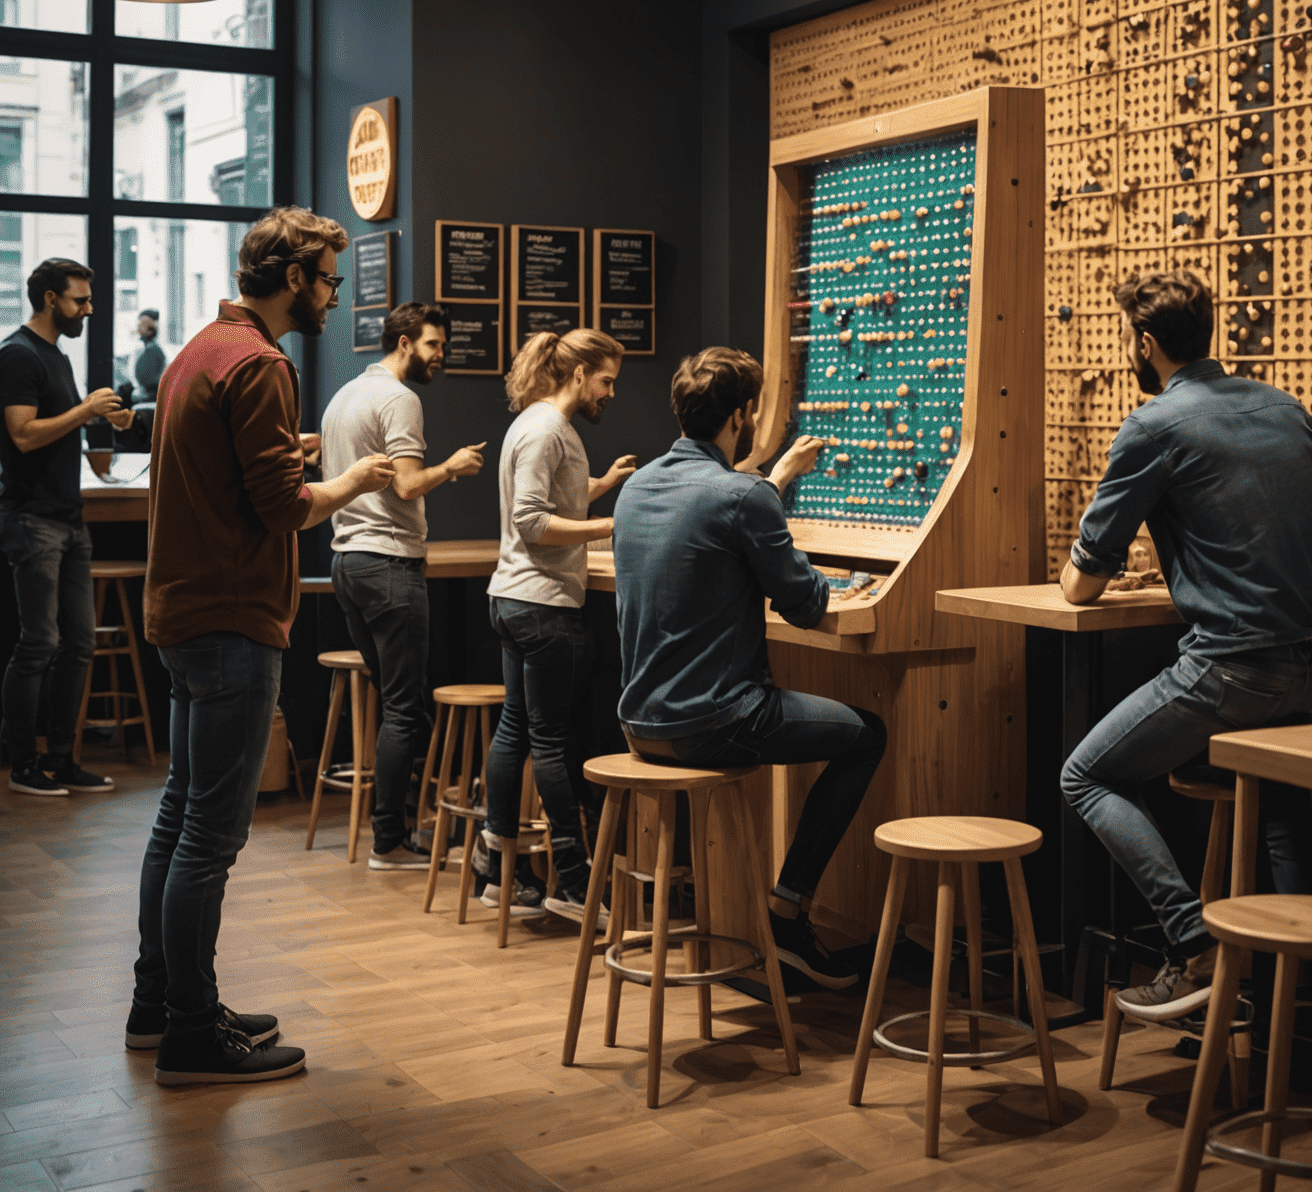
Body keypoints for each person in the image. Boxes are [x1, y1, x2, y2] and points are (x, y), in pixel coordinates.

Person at [127, 207, 396, 1086]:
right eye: (326, 278)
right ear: (292, 278)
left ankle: (162, 1002)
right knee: (212, 834)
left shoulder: (198, 352)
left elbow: (232, 475)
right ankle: (194, 1038)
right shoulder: (262, 363)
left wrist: (291, 455)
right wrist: (350, 479)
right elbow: (284, 508)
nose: (332, 293)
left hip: (180, 611)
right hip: (233, 618)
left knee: (179, 815)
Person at [1059, 270, 1312, 1023]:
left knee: (1086, 775)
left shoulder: (1154, 423)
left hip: (1239, 670)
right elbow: (1307, 531)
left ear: (1145, 344)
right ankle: (1301, 1008)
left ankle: (1196, 946)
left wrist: (1090, 567)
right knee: (1277, 804)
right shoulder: (1287, 407)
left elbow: (1082, 583)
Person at [614, 346, 887, 989]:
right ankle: (788, 914)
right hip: (713, 721)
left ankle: (777, 916)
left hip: (637, 721)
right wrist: (836, 586)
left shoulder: (636, 486)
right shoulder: (743, 496)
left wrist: (772, 483)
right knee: (867, 734)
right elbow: (803, 604)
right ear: (742, 416)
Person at [321, 301, 485, 870]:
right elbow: (410, 485)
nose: (441, 356)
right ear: (405, 341)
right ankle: (390, 841)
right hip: (389, 563)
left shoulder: (344, 396)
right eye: (434, 345)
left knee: (398, 704)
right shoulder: (400, 399)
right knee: (404, 709)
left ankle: (395, 828)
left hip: (346, 562)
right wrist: (454, 466)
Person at [482, 328, 636, 925]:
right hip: (542, 605)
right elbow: (532, 521)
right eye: (606, 380)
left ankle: (500, 874)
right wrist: (610, 527)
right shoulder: (549, 430)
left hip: (511, 598)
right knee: (549, 742)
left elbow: (554, 501)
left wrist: (603, 486)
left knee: (515, 731)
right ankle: (573, 886)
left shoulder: (535, 423)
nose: (611, 393)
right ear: (578, 375)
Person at [1, 258, 133, 795]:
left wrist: (101, 416)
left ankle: (62, 758)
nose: (89, 309)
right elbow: (24, 435)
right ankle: (23, 766)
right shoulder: (17, 354)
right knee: (39, 643)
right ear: (51, 298)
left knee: (79, 643)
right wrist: (84, 411)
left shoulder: (55, 355)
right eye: (80, 300)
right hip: (33, 519)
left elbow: (54, 430)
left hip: (69, 519)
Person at [133, 309, 167, 403]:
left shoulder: (153, 352)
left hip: (151, 397)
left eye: (141, 325)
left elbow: (149, 379)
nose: (138, 329)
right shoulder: (146, 350)